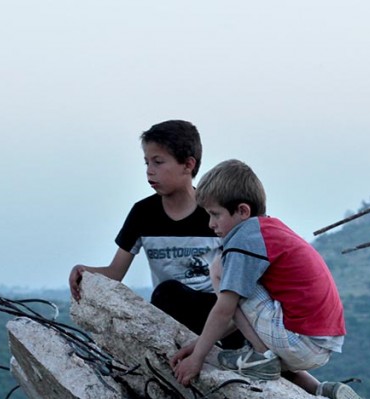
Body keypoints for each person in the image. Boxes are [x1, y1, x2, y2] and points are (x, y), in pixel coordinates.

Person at [170, 159, 368, 399]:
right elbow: (247, 317)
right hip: (321, 342)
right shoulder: (270, 230)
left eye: (215, 214)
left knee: (219, 268)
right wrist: (200, 343)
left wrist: (198, 358)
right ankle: (319, 390)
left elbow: (226, 309)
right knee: (243, 287)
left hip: (299, 341)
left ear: (242, 211)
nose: (211, 224)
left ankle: (261, 358)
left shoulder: (243, 240)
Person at [68, 120, 242, 347]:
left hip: (216, 313)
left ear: (188, 165)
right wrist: (83, 271)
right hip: (170, 312)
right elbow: (115, 273)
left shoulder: (211, 214)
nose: (150, 171)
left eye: (158, 162)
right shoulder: (143, 214)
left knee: (169, 292)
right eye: (147, 163)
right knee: (165, 294)